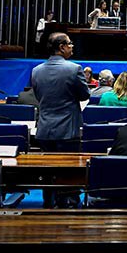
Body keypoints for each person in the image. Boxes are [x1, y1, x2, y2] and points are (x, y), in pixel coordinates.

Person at [32, 32, 89, 207]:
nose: (72, 47)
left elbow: (38, 95)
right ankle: (68, 202)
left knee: (47, 168)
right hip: (67, 129)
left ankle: (48, 201)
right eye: (70, 44)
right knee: (68, 168)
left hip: (45, 128)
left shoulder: (36, 70)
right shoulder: (74, 69)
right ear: (62, 47)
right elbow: (84, 94)